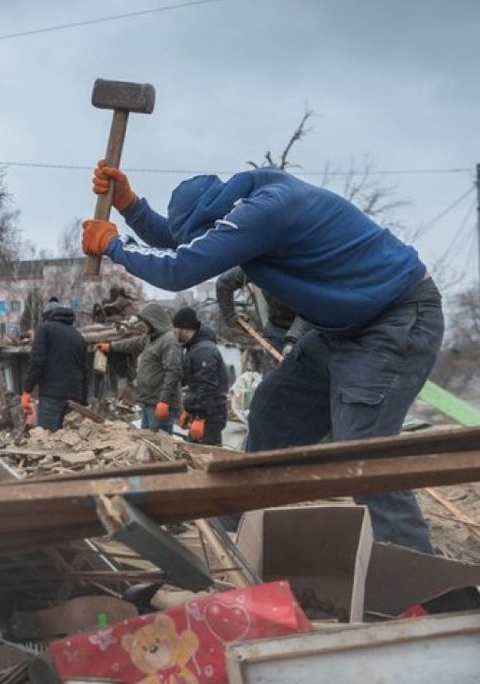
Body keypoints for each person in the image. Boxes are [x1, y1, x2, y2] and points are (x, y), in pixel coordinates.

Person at [82, 161, 442, 553]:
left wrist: (115, 246)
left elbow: (181, 267)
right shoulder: (239, 205)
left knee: (363, 450)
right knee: (272, 412)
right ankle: (233, 536)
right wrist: (130, 206)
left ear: (217, 220)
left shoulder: (267, 210)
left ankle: (418, 580)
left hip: (395, 318)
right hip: (342, 328)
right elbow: (183, 242)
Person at [95, 303, 182, 433]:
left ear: (154, 322)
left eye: (146, 322)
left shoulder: (168, 341)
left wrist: (164, 401)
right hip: (149, 402)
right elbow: (132, 343)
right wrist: (111, 347)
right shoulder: (151, 339)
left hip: (160, 404)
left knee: (158, 446)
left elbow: (173, 372)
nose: (144, 325)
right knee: (146, 442)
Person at [215, 266, 313, 366]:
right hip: (277, 329)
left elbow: (313, 305)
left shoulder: (305, 265)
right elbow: (224, 283)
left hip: (311, 329)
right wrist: (230, 316)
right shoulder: (260, 266)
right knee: (273, 377)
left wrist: (293, 339)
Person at [22, 298, 89, 431]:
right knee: (69, 441)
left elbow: (37, 361)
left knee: (47, 440)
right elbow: (85, 372)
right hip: (74, 398)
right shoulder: (78, 336)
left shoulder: (44, 329)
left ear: (47, 316)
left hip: (52, 396)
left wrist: (27, 390)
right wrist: (84, 401)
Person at [170, 306, 229, 445]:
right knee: (195, 455)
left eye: (175, 329)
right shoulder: (194, 348)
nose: (173, 333)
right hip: (204, 412)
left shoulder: (204, 351)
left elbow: (206, 386)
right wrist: (189, 410)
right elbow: (195, 386)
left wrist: (201, 417)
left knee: (206, 457)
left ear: (184, 329)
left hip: (211, 415)